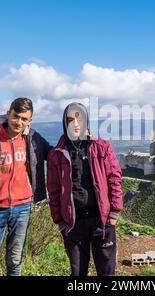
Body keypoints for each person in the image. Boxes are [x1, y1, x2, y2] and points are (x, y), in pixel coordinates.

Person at [0, 97, 52, 276]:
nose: (19, 122)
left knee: (15, 261)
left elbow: (54, 154)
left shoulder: (33, 138)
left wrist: (80, 141)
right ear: (8, 114)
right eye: (16, 116)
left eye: (24, 119)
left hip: (22, 208)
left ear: (30, 121)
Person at [47, 102, 123, 276]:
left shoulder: (101, 147)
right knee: (77, 273)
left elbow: (114, 179)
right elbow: (53, 189)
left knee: (107, 272)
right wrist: (60, 221)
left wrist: (114, 214)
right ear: (64, 123)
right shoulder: (56, 153)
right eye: (70, 119)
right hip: (73, 223)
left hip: (101, 221)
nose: (75, 123)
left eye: (79, 118)